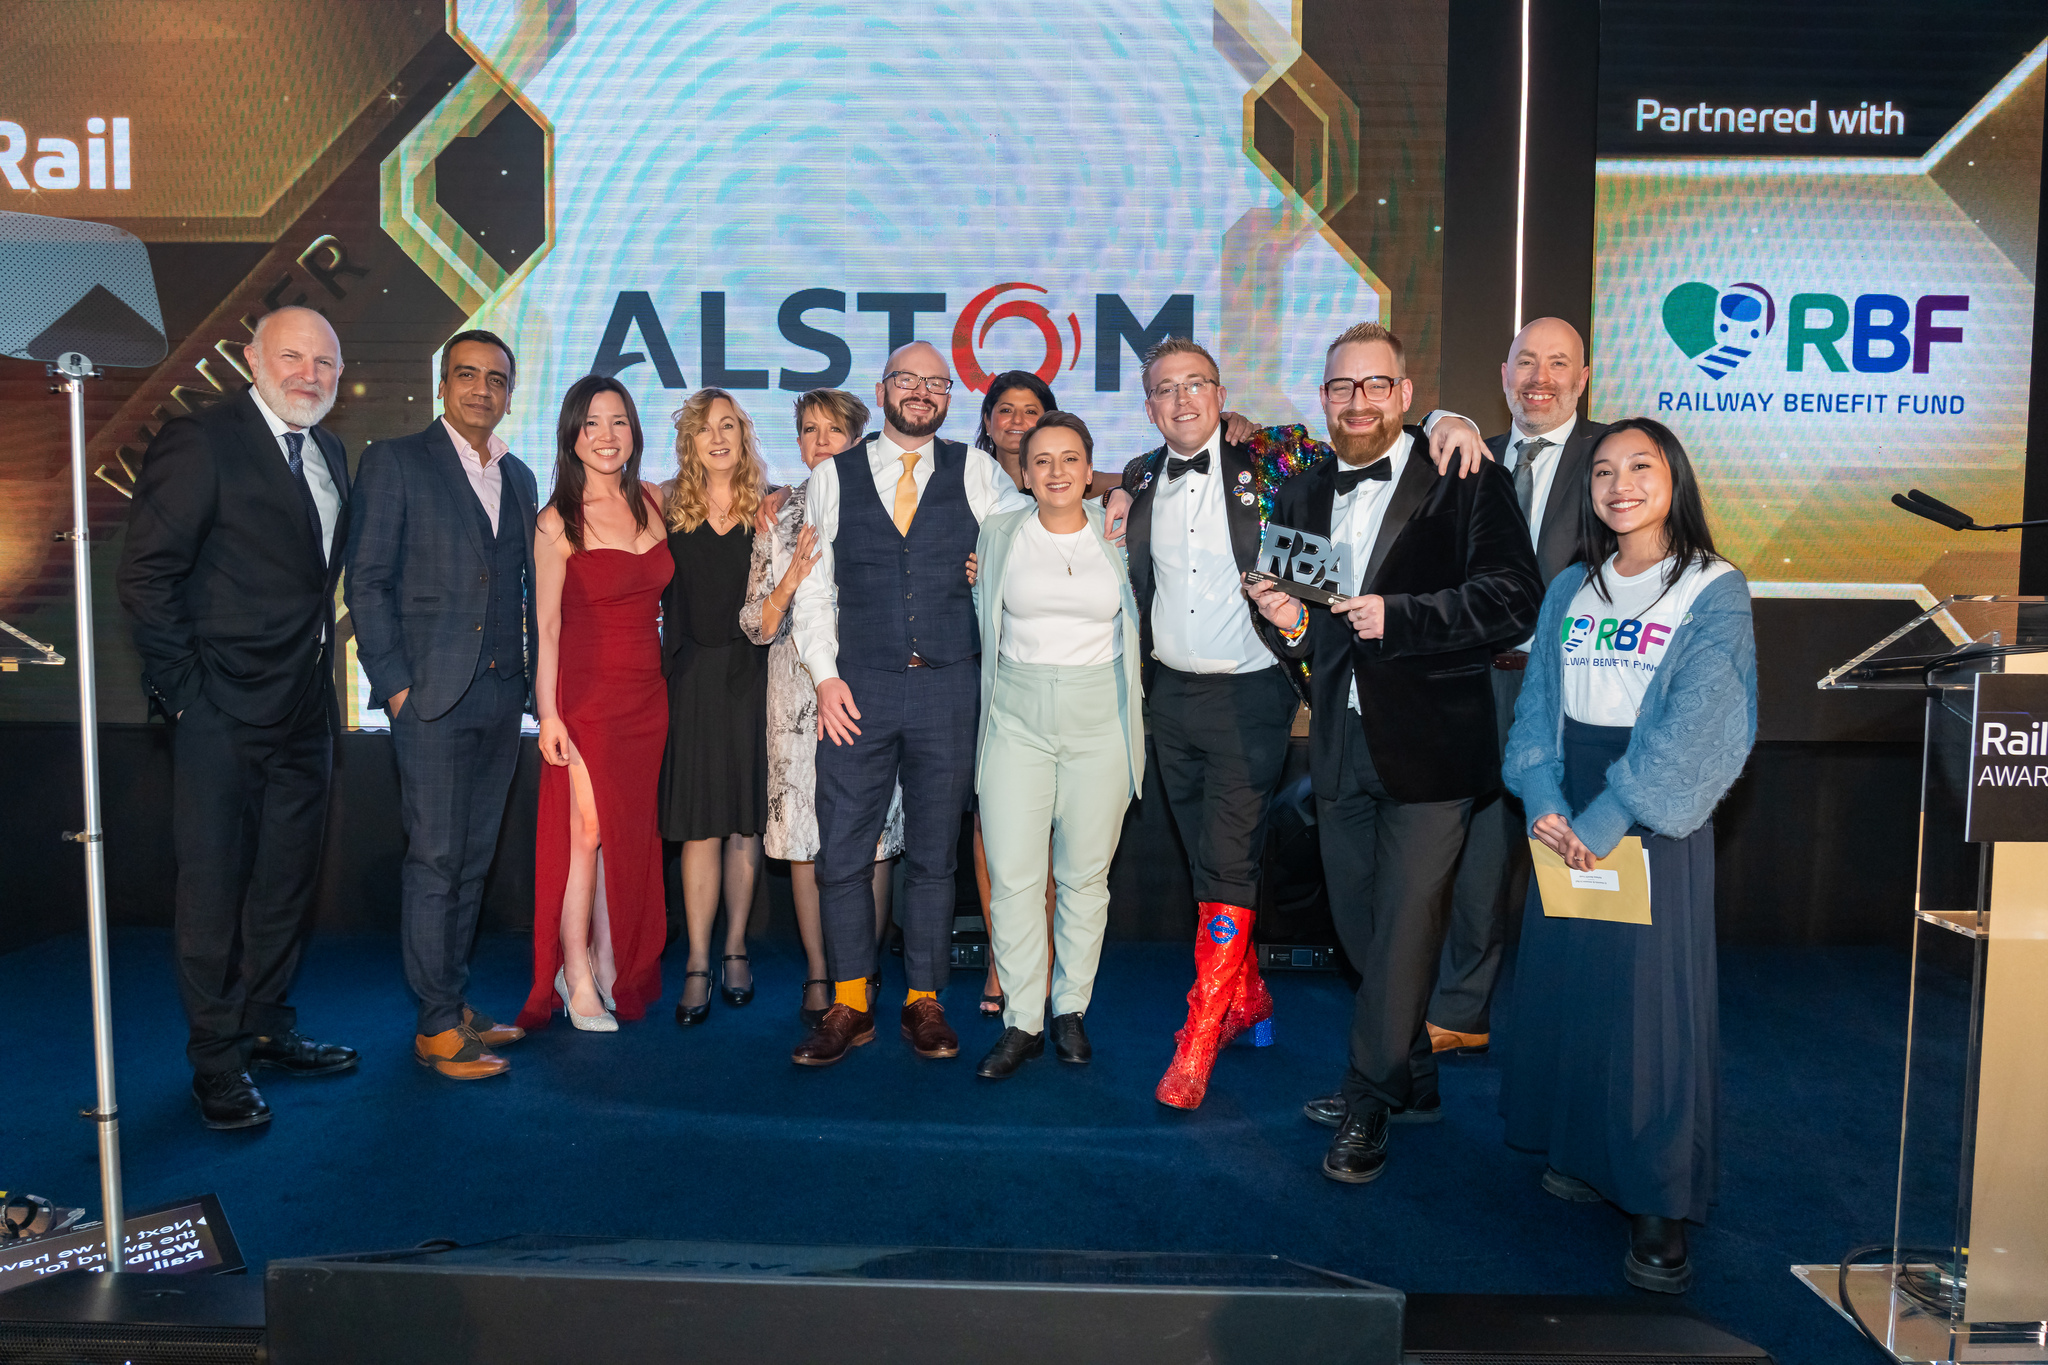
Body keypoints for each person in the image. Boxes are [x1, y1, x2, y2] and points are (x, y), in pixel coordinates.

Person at [1105, 337, 1487, 1111]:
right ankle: (1247, 998)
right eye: (1165, 390)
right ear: (1148, 407)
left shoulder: (1277, 459)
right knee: (1206, 857)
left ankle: (1199, 1034)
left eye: (1196, 384)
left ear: (1221, 395)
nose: (1182, 400)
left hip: (1253, 694)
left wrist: (1451, 418)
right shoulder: (1140, 476)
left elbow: (1369, 431)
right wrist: (1112, 498)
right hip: (1167, 696)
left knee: (1227, 860)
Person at [1244, 321, 1542, 1183]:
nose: (1359, 401)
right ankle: (1413, 1081)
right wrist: (1288, 624)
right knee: (1362, 929)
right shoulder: (1301, 491)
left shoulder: (1461, 473)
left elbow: (1513, 597)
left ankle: (1368, 1095)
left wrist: (1402, 617)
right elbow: (1309, 635)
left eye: (1376, 385)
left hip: (1432, 748)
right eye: (1343, 386)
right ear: (1324, 397)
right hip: (1339, 742)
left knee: (1407, 926)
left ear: (1406, 394)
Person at [1498, 417, 1754, 1294]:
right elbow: (1538, 702)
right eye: (1604, 470)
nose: (1620, 485)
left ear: (1674, 479)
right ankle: (1582, 1150)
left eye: (1641, 467)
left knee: (1651, 1011)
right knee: (1573, 985)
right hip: (1564, 803)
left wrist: (1608, 817)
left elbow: (1701, 721)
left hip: (1649, 813)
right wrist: (1544, 798)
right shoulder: (1572, 583)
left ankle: (1656, 1198)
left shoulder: (1714, 587)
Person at [116, 304, 359, 1131]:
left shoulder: (328, 451)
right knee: (213, 890)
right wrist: (188, 695)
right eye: (292, 357)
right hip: (219, 709)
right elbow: (146, 576)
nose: (308, 375)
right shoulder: (202, 440)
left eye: (324, 363)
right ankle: (215, 1061)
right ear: (252, 359)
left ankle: (264, 1025)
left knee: (286, 880)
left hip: (305, 710)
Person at [787, 340, 1035, 1067]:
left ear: (949, 397)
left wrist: (994, 561)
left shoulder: (978, 471)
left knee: (933, 855)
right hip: (856, 689)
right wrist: (825, 677)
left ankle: (923, 999)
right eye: (908, 379)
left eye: (937, 383)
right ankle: (851, 1002)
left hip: (948, 687)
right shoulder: (832, 476)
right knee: (842, 852)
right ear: (882, 389)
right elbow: (813, 588)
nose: (922, 392)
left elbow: (1032, 536)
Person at [345, 330, 538, 1080]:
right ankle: (432, 1026)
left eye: (496, 379)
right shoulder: (395, 461)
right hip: (428, 696)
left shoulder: (518, 475)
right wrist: (396, 686)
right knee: (435, 859)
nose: (481, 389)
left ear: (509, 395)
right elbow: (367, 581)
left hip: (501, 693)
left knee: (473, 859)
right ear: (442, 384)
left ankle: (451, 1001)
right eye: (467, 375)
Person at [1431, 317, 1608, 1057]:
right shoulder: (1469, 456)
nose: (1540, 378)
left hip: (1571, 695)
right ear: (1503, 374)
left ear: (1583, 378)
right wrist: (1440, 416)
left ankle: (1571, 1023)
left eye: (1558, 363)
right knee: (1476, 860)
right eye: (1526, 361)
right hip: (1479, 685)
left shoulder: (1612, 459)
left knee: (1571, 848)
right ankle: (1462, 1013)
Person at [969, 413, 1145, 1079]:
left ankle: (1070, 1008)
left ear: (1090, 468)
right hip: (1015, 719)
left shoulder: (1118, 529)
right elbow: (981, 613)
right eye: (1041, 460)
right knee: (1014, 876)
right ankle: (1023, 1019)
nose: (1056, 471)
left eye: (1070, 458)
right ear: (1023, 473)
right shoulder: (1000, 532)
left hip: (1100, 720)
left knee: (1083, 877)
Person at [740, 390, 903, 1028]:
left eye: (834, 429)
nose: (821, 440)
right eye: (809, 430)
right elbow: (755, 626)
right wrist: (787, 582)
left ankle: (862, 973)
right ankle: (819, 974)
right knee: (807, 843)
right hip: (796, 701)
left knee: (874, 840)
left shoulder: (890, 502)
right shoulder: (777, 516)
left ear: (859, 439)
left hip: (868, 694)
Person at [515, 376, 673, 1033]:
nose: (606, 436)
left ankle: (611, 961)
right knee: (586, 832)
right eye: (592, 424)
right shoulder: (556, 520)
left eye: (619, 422)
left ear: (634, 431)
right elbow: (546, 627)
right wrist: (548, 714)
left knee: (623, 832)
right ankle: (573, 971)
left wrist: (772, 499)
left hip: (648, 696)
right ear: (571, 436)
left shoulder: (654, 499)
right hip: (586, 696)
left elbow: (728, 492)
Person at [659, 389, 772, 1025]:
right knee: (699, 824)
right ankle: (698, 960)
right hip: (692, 680)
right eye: (705, 428)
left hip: (753, 678)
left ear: (744, 435)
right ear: (690, 442)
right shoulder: (663, 505)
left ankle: (735, 949)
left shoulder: (770, 505)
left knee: (744, 824)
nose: (719, 437)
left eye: (728, 425)